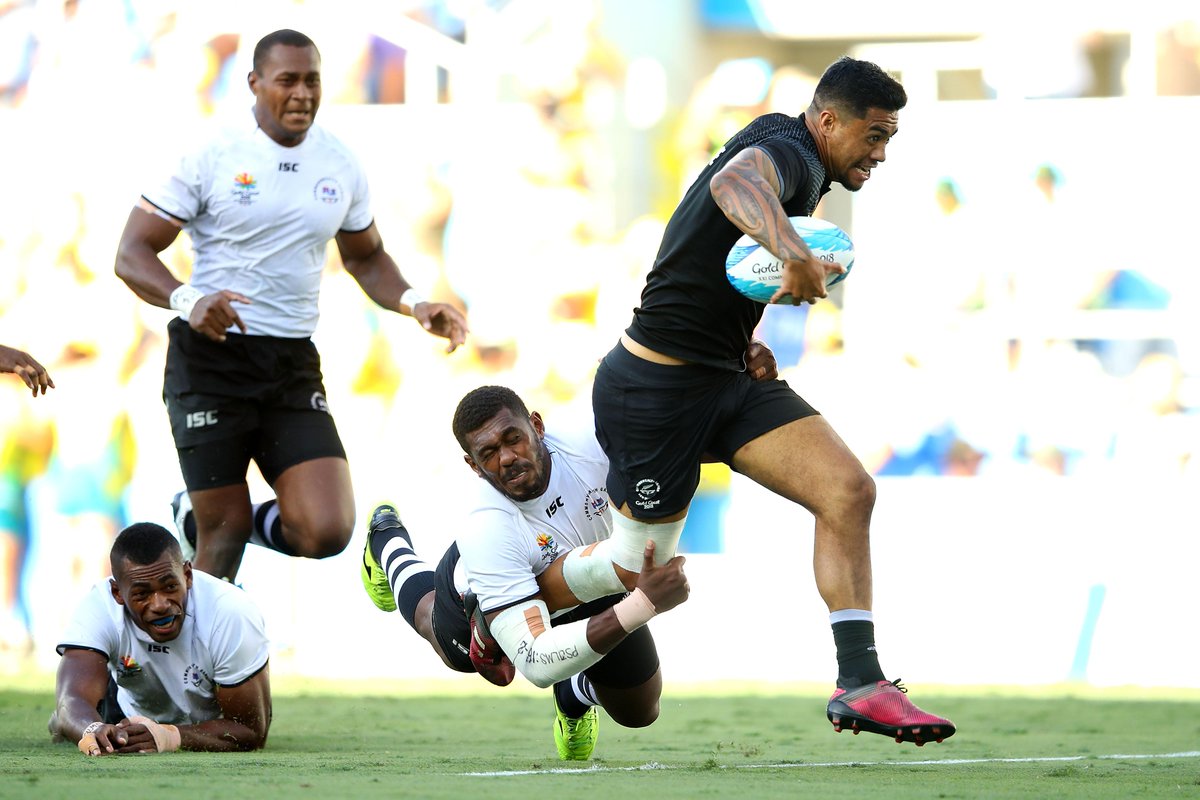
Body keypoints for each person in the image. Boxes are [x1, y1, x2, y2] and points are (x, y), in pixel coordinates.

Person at [539, 57, 956, 746]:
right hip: (655, 390)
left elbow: (717, 260)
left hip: (727, 378)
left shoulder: (792, 146)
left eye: (890, 139)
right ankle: (483, 598)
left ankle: (860, 681)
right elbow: (737, 183)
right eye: (874, 135)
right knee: (632, 574)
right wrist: (791, 249)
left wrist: (748, 336)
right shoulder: (789, 155)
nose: (881, 153)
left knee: (848, 490)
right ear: (828, 121)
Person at [113, 29, 468, 581]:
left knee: (327, 530)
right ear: (254, 83)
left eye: (312, 81)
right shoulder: (213, 152)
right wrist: (188, 300)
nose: (302, 93)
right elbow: (131, 252)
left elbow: (366, 257)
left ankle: (199, 516)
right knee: (222, 540)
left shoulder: (339, 163)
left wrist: (415, 302)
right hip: (211, 358)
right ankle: (199, 665)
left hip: (290, 362)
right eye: (288, 81)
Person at [359, 384, 698, 760]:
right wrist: (644, 604)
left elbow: (686, 423)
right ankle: (388, 542)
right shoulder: (484, 525)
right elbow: (535, 662)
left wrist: (745, 372)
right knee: (443, 637)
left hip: (592, 578)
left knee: (640, 712)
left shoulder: (591, 438)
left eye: (512, 439)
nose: (506, 458)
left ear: (536, 426)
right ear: (473, 465)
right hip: (487, 591)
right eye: (488, 453)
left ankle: (573, 694)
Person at [49, 522, 271, 754]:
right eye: (142, 594)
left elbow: (250, 730)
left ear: (187, 575)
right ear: (117, 593)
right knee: (80, 718)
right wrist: (91, 728)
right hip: (127, 712)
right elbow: (71, 700)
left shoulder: (230, 612)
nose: (160, 605)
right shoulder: (98, 606)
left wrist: (169, 736)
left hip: (211, 718)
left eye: (170, 586)